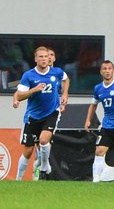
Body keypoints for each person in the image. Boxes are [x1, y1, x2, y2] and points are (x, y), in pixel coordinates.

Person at [14, 46, 69, 181]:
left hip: (52, 112)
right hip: (33, 116)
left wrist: (65, 94)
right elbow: (19, 96)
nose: (45, 59)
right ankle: (18, 179)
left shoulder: (56, 72)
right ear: (35, 59)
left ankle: (44, 167)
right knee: (28, 150)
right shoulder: (28, 75)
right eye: (41, 57)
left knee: (44, 140)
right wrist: (34, 90)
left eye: (46, 56)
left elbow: (66, 79)